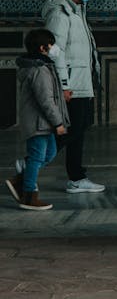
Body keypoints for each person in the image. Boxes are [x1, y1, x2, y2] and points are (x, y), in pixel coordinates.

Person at [40, 0, 104, 193]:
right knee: (72, 128)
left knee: (80, 126)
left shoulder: (76, 11)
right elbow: (53, 51)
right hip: (71, 84)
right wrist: (64, 85)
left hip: (81, 81)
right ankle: (32, 162)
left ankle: (76, 177)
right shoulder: (60, 13)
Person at [6, 28, 70, 211]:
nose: (54, 48)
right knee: (37, 157)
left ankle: (21, 177)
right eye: (51, 45)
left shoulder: (42, 66)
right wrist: (58, 122)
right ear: (43, 48)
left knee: (49, 153)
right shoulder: (39, 70)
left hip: (44, 122)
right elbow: (46, 100)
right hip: (39, 122)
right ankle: (28, 195)